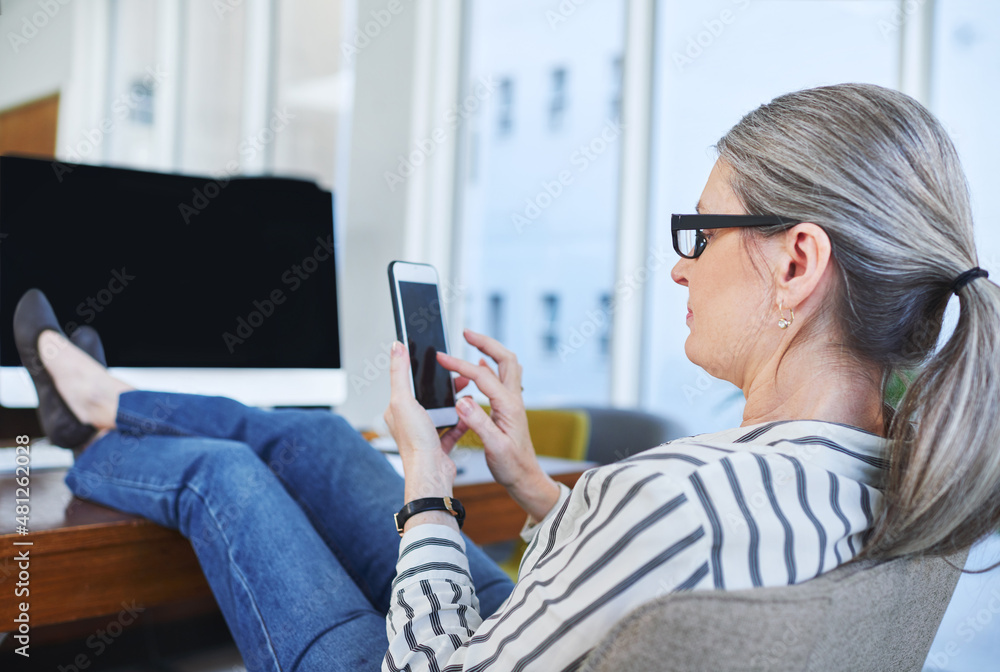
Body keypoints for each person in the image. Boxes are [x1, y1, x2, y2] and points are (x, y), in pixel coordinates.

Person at [15, 83, 999, 672]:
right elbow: (645, 585)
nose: (678, 265)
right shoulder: (896, 479)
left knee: (224, 478)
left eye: (700, 233)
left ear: (795, 263)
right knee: (316, 438)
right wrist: (530, 482)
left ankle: (87, 425)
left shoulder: (672, 494)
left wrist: (430, 492)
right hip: (530, 642)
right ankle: (104, 401)